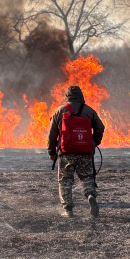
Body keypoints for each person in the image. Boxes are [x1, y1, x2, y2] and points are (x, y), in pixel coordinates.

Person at [47, 85, 105, 218]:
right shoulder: (89, 111)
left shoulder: (60, 111)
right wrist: (94, 143)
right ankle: (90, 195)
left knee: (65, 180)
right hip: (85, 152)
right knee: (87, 177)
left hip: (66, 153)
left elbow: (52, 134)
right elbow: (100, 128)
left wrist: (51, 152)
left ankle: (68, 210)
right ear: (81, 96)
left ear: (67, 96)